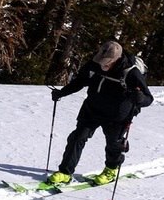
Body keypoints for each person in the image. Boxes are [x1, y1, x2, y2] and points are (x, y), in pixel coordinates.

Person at [47, 40, 153, 186]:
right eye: (101, 61)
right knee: (77, 137)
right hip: (92, 109)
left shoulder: (131, 72)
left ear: (117, 59)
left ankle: (111, 170)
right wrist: (61, 93)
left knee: (113, 144)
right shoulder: (93, 64)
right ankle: (65, 173)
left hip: (117, 115)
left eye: (107, 62)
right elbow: (79, 82)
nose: (103, 65)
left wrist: (139, 98)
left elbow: (149, 98)